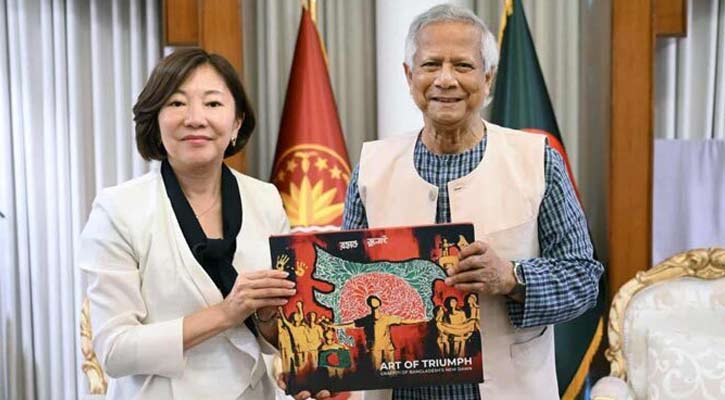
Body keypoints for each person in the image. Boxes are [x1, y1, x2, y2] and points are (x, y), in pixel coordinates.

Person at [341, 4, 603, 400]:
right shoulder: (372, 168)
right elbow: (349, 286)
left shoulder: (537, 161)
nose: (445, 79)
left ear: (488, 76)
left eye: (462, 65)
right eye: (431, 64)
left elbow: (583, 279)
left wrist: (511, 278)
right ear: (410, 76)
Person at [79, 48, 328, 400]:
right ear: (155, 120)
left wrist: (297, 362)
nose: (195, 119)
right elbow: (114, 350)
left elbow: (278, 325)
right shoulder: (118, 209)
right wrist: (226, 313)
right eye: (177, 103)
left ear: (237, 122)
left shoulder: (265, 198)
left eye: (212, 103)